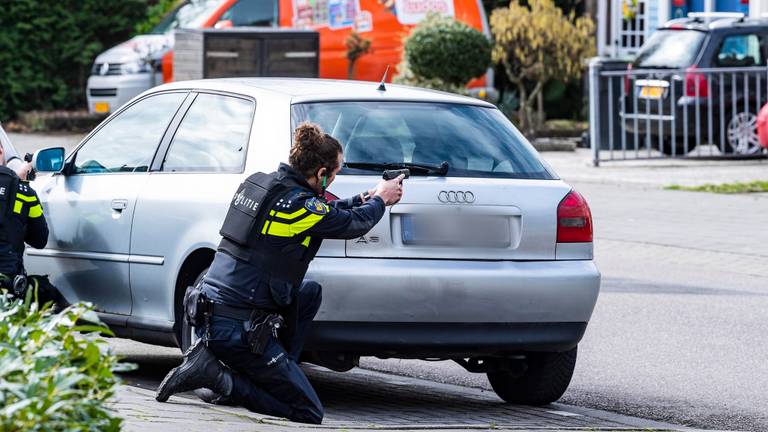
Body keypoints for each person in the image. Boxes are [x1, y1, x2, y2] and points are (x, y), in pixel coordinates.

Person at [155, 123, 404, 424]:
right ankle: (217, 377)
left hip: (211, 314)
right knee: (308, 411)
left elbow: (328, 211)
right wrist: (382, 200)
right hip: (236, 329)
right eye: (334, 174)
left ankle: (272, 369)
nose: (334, 179)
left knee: (309, 293)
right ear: (321, 173)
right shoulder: (298, 206)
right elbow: (352, 225)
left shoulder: (263, 186)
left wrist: (367, 196)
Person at [0, 140, 67, 309]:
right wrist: (19, 182)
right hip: (7, 286)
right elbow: (39, 240)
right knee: (50, 294)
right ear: (1, 151)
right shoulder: (24, 193)